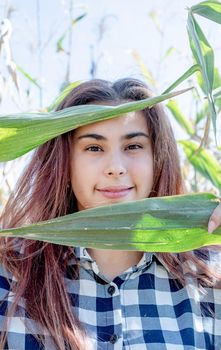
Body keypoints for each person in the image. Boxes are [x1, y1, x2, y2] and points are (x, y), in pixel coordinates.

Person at [0, 78, 221, 350]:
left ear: (158, 159)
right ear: (65, 161)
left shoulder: (210, 277)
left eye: (133, 146)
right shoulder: (10, 274)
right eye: (94, 148)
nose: (115, 167)